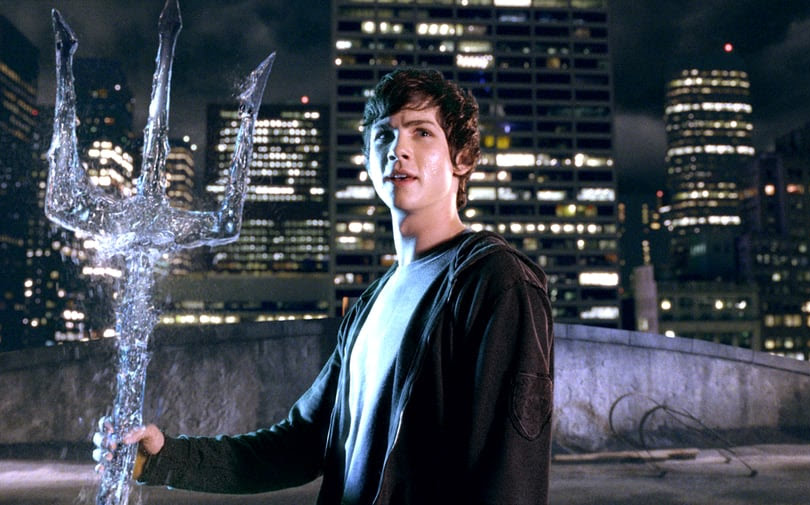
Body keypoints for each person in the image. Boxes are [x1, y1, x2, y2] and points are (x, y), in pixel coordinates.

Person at [96, 68, 554, 504]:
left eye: (421, 132)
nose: (399, 148)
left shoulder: (496, 282)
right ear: (368, 161)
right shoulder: (369, 306)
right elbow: (300, 444)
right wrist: (163, 457)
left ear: (463, 158)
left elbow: (509, 480)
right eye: (384, 135)